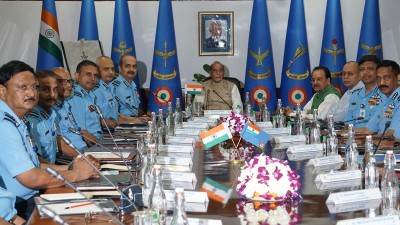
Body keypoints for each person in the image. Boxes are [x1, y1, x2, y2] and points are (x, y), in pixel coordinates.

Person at [0, 60, 99, 219]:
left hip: (31, 198)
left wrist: (70, 167)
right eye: (23, 87)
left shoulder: (17, 120)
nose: (32, 94)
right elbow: (32, 178)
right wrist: (77, 174)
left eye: (34, 87)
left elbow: (36, 165)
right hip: (20, 206)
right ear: (2, 91)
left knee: (96, 208)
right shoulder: (4, 125)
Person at [93, 56, 145, 126]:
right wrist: (134, 121)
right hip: (110, 130)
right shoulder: (97, 90)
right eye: (106, 69)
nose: (111, 72)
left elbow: (115, 114)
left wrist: (137, 120)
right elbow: (99, 120)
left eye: (112, 69)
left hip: (120, 126)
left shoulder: (110, 87)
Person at [356, 60, 400, 136]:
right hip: (379, 145)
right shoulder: (385, 101)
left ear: (398, 77)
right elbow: (368, 130)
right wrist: (341, 134)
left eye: (386, 77)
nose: (382, 83)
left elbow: (392, 137)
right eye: (379, 78)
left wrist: (365, 141)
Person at [52, 67, 89, 153]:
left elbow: (77, 132)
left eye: (69, 81)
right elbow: (60, 143)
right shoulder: (52, 110)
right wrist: (82, 158)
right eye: (63, 81)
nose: (69, 85)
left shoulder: (65, 105)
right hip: (71, 156)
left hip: (83, 150)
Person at [26, 71, 60, 163]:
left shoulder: (52, 113)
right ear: (35, 90)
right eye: (45, 89)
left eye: (55, 90)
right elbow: (37, 161)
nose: (52, 95)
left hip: (52, 165)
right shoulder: (32, 118)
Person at [344, 55, 386, 128]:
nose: (365, 72)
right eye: (361, 69)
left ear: (378, 72)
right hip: (354, 136)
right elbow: (348, 123)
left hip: (375, 137)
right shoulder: (355, 95)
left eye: (370, 68)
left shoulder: (384, 93)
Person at [67, 60, 103, 143]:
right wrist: (103, 147)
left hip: (98, 140)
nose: (93, 79)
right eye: (88, 74)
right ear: (77, 75)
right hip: (89, 147)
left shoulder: (90, 95)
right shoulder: (75, 98)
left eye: (95, 75)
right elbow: (83, 134)